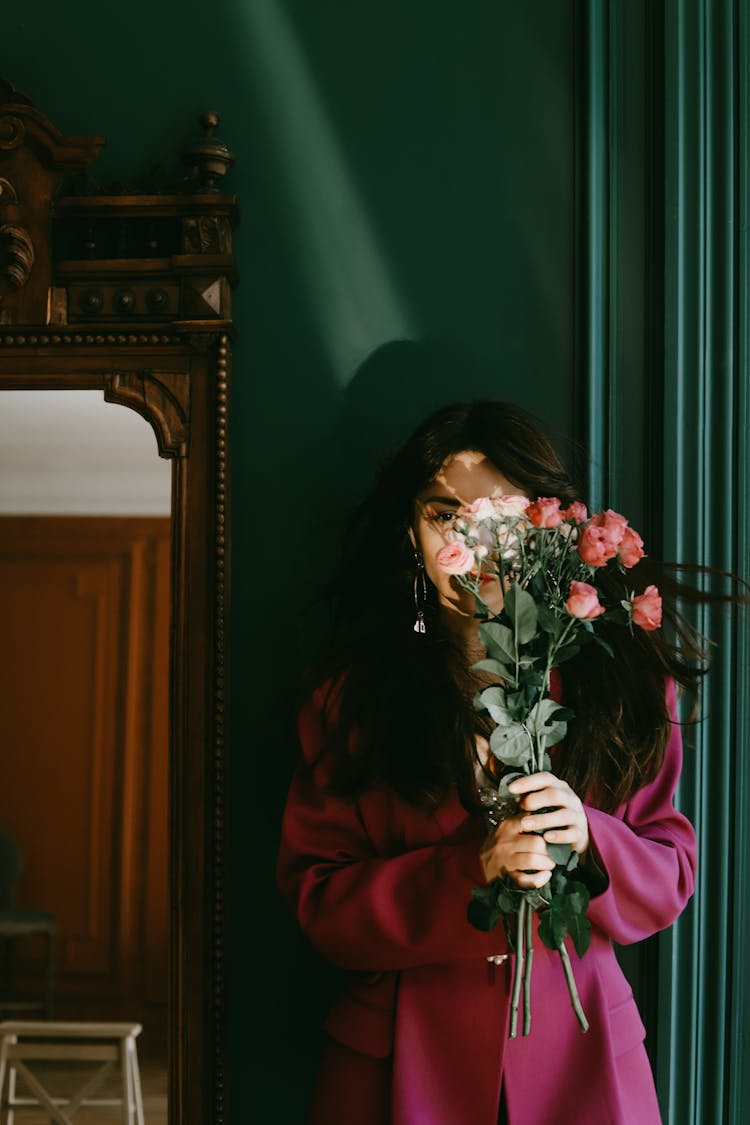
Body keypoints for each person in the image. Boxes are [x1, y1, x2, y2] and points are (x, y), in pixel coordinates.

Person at [276, 399, 707, 1125]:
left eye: (501, 516)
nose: (472, 543)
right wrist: (467, 870)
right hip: (398, 1073)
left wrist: (589, 834)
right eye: (445, 515)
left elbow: (670, 872)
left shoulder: (624, 685)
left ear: (549, 526)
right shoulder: (349, 701)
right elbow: (320, 901)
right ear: (411, 530)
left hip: (584, 1060)